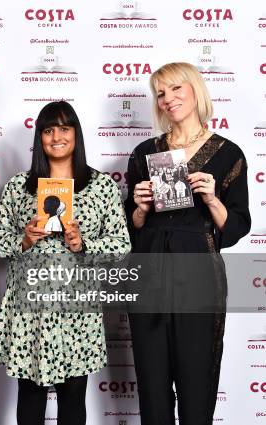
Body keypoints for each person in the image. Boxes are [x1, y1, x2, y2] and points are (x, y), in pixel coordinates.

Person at [0, 101, 131, 425]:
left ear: (76, 135)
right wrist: (24, 240)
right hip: (30, 308)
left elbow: (121, 245)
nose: (56, 136)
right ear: (39, 137)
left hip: (77, 308)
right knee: (30, 395)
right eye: (48, 129)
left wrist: (85, 244)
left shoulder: (101, 186)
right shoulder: (19, 187)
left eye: (64, 128)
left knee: (73, 397)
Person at [125, 62, 250, 425]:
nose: (168, 99)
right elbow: (129, 227)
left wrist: (212, 199)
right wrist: (139, 207)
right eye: (161, 93)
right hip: (148, 272)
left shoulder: (229, 153)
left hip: (198, 275)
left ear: (196, 91)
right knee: (152, 385)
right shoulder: (144, 152)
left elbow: (238, 226)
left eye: (177, 89)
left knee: (197, 383)